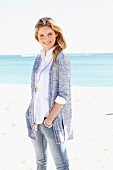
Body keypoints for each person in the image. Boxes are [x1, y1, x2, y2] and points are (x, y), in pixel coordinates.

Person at [25, 17, 73, 170]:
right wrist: (32, 113)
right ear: (37, 37)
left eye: (49, 34)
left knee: (62, 165)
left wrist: (49, 120)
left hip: (51, 120)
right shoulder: (39, 58)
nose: (46, 39)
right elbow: (36, 91)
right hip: (35, 119)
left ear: (57, 34)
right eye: (41, 35)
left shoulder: (61, 58)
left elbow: (63, 94)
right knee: (40, 162)